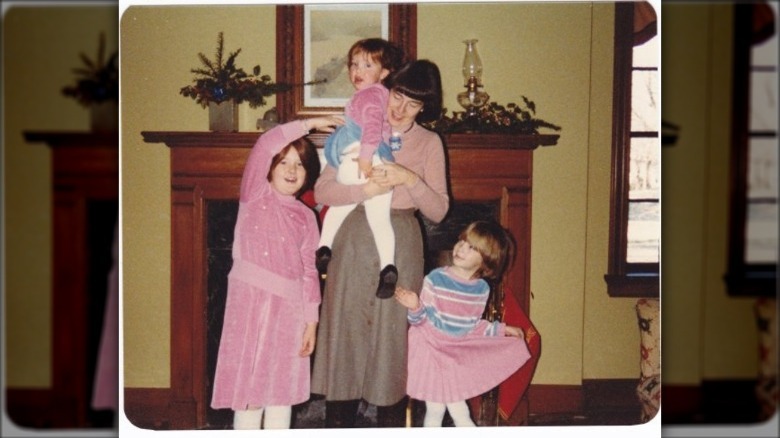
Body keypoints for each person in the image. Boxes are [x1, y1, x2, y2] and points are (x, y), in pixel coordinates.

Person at [311, 59, 449, 428]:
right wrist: (364, 189)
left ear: (424, 109)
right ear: (388, 90)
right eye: (399, 96)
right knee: (346, 332)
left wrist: (409, 177)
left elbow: (438, 210)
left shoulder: (430, 143)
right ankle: (337, 426)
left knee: (392, 337)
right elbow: (322, 190)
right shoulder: (356, 126)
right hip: (353, 238)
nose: (401, 109)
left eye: (414, 104)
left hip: (401, 243)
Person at [210, 116, 342, 430]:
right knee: (251, 390)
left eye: (300, 164)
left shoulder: (307, 217)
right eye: (284, 162)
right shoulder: (254, 195)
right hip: (250, 308)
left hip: (291, 312)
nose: (292, 170)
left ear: (309, 174)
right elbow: (264, 144)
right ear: (268, 168)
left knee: (280, 392)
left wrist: (311, 321)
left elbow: (309, 271)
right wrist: (312, 123)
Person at [394, 220, 532, 427]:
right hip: (430, 350)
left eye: (472, 247)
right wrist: (415, 307)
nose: (461, 248)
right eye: (462, 241)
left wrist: (503, 329)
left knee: (460, 411)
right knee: (436, 409)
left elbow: (472, 326)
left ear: (486, 261)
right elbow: (422, 322)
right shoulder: (436, 278)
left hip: (452, 354)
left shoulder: (481, 290)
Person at [315, 38, 405, 299]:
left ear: (384, 73)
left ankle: (324, 247)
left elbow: (372, 128)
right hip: (378, 165)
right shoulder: (376, 96)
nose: (357, 71)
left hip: (360, 160)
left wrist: (365, 158)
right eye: (354, 64)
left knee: (339, 209)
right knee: (380, 220)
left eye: (367, 65)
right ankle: (388, 266)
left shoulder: (371, 95)